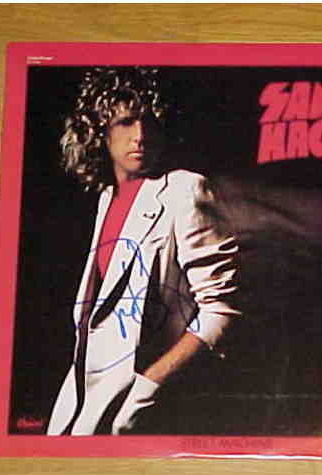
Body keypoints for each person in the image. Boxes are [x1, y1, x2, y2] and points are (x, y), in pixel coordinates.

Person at [46, 67, 241, 435]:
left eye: (150, 122)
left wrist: (150, 386)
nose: (141, 136)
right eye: (126, 122)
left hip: (140, 402)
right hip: (81, 399)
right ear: (98, 131)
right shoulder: (106, 198)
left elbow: (222, 310)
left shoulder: (184, 189)